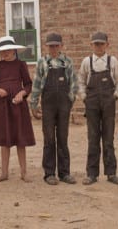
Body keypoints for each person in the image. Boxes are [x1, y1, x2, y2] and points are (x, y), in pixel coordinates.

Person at [30, 32, 78, 185]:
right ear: (47, 46)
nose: (54, 48)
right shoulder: (42, 62)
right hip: (48, 104)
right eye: (51, 46)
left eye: (56, 45)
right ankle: (49, 173)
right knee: (49, 138)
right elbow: (37, 84)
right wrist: (34, 103)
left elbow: (74, 84)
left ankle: (65, 173)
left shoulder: (68, 62)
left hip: (64, 104)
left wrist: (70, 99)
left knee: (63, 138)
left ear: (61, 46)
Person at [78, 31, 118, 185]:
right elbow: (81, 81)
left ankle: (111, 173)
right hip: (91, 103)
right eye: (95, 44)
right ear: (91, 45)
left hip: (108, 103)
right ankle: (91, 174)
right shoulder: (87, 62)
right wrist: (84, 97)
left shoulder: (112, 62)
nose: (98, 47)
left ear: (107, 45)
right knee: (93, 138)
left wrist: (116, 95)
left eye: (101, 44)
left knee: (108, 139)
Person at [0, 35, 35, 182]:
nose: (5, 53)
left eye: (8, 50)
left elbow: (28, 84)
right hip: (3, 105)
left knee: (20, 138)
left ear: (14, 50)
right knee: (5, 139)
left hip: (18, 104)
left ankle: (24, 172)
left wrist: (22, 93)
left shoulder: (21, 65)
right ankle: (4, 173)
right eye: (3, 51)